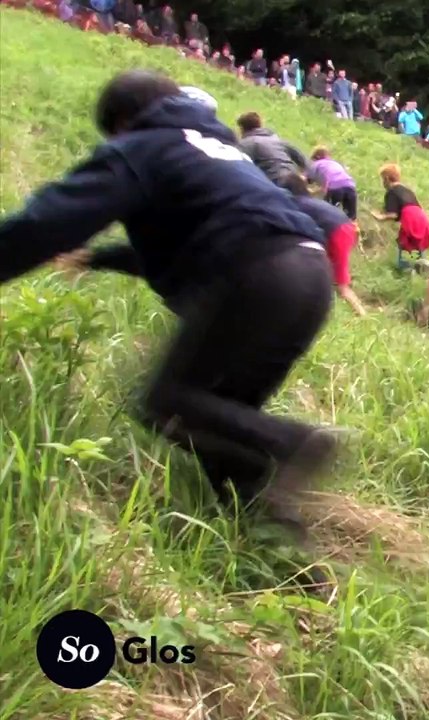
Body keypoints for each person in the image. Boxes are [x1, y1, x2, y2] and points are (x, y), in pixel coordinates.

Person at [0, 71, 338, 579]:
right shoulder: (218, 150)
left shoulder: (143, 147)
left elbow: (45, 222)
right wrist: (97, 259)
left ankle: (296, 443)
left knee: (167, 402)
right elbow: (197, 232)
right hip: (310, 275)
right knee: (222, 420)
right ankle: (281, 554)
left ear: (120, 124)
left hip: (255, 272)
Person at [281, 175, 365, 317]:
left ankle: (363, 316)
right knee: (323, 271)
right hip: (345, 229)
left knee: (342, 286)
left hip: (338, 234)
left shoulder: (296, 205)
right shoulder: (310, 202)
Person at [370, 164, 429, 268]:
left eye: (382, 179)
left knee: (406, 248)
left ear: (386, 178)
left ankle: (409, 268)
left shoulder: (391, 191)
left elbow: (394, 214)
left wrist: (380, 217)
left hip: (411, 220)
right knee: (417, 246)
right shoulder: (407, 190)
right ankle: (424, 267)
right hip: (422, 218)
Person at [235, 112, 309, 188]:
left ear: (242, 128)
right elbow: (303, 159)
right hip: (293, 180)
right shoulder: (278, 141)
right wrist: (306, 176)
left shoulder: (246, 143)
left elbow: (236, 165)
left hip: (273, 183)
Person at [307, 147, 357, 220]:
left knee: (327, 213)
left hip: (335, 189)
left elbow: (307, 179)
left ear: (316, 158)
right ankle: (353, 229)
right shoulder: (335, 164)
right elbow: (326, 186)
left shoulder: (317, 164)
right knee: (350, 216)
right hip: (350, 186)